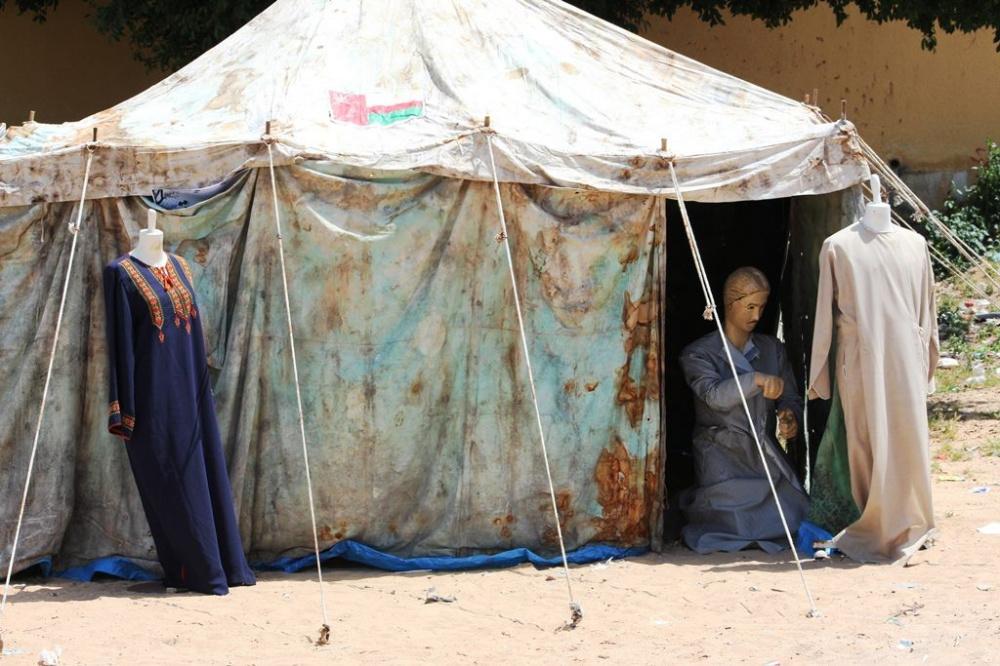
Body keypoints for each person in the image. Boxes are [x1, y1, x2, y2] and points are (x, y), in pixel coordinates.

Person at [678, 266, 808, 553]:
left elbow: (790, 397)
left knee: (795, 513)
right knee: (734, 522)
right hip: (722, 455)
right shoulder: (699, 353)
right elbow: (713, 396)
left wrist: (789, 416)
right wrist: (756, 380)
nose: (757, 316)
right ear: (729, 304)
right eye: (750, 306)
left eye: (761, 307)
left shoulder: (772, 349)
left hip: (763, 453)